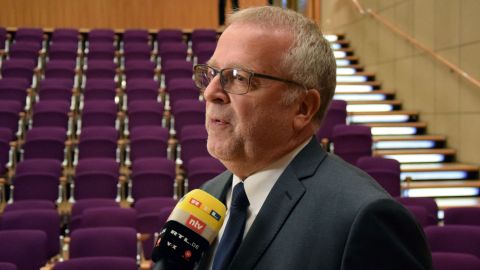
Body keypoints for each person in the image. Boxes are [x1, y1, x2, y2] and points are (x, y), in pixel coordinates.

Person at [192, 6, 433, 270]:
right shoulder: (206, 198)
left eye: (238, 77)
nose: (211, 92)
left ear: (303, 108)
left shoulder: (363, 218)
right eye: (212, 74)